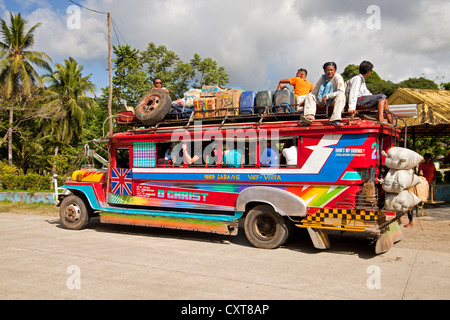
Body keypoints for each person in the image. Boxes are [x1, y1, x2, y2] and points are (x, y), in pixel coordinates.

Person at [301, 62, 346, 126]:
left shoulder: (338, 77)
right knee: (310, 96)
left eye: (331, 70)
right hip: (321, 100)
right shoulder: (323, 78)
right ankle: (309, 116)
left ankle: (335, 119)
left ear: (335, 70)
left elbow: (341, 91)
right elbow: (314, 91)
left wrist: (328, 96)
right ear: (324, 71)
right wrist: (304, 101)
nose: (329, 72)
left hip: (333, 101)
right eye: (327, 70)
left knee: (341, 95)